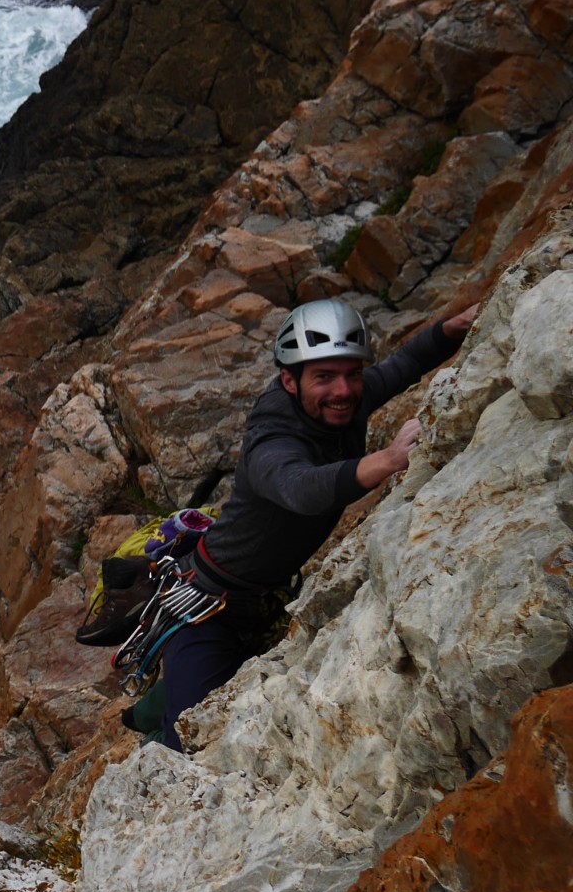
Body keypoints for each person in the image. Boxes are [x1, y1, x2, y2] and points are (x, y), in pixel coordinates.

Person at [158, 296, 478, 746]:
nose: (343, 391)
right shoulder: (271, 435)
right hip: (208, 610)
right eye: (324, 377)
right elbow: (302, 488)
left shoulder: (343, 401)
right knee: (186, 741)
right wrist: (388, 459)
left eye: (352, 373)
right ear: (289, 380)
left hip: (264, 598)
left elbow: (406, 363)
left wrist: (455, 326)